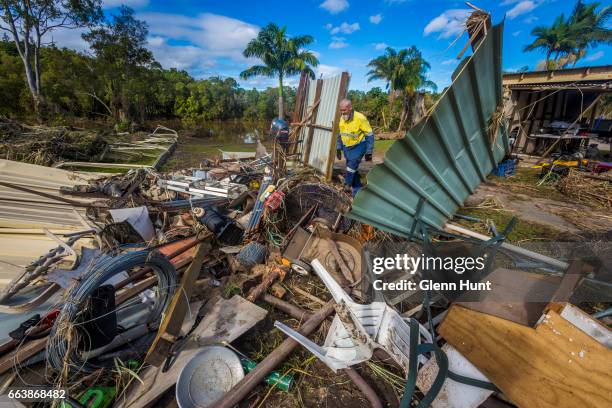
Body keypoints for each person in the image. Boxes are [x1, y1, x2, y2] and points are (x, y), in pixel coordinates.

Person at [336, 99, 374, 196]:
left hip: (359, 146)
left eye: (344, 110)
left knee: (351, 165)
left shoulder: (360, 118)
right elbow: (340, 134)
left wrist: (369, 151)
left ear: (350, 108)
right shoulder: (342, 118)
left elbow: (369, 134)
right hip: (347, 147)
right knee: (352, 168)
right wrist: (339, 148)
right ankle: (357, 188)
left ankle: (347, 185)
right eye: (341, 110)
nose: (342, 112)